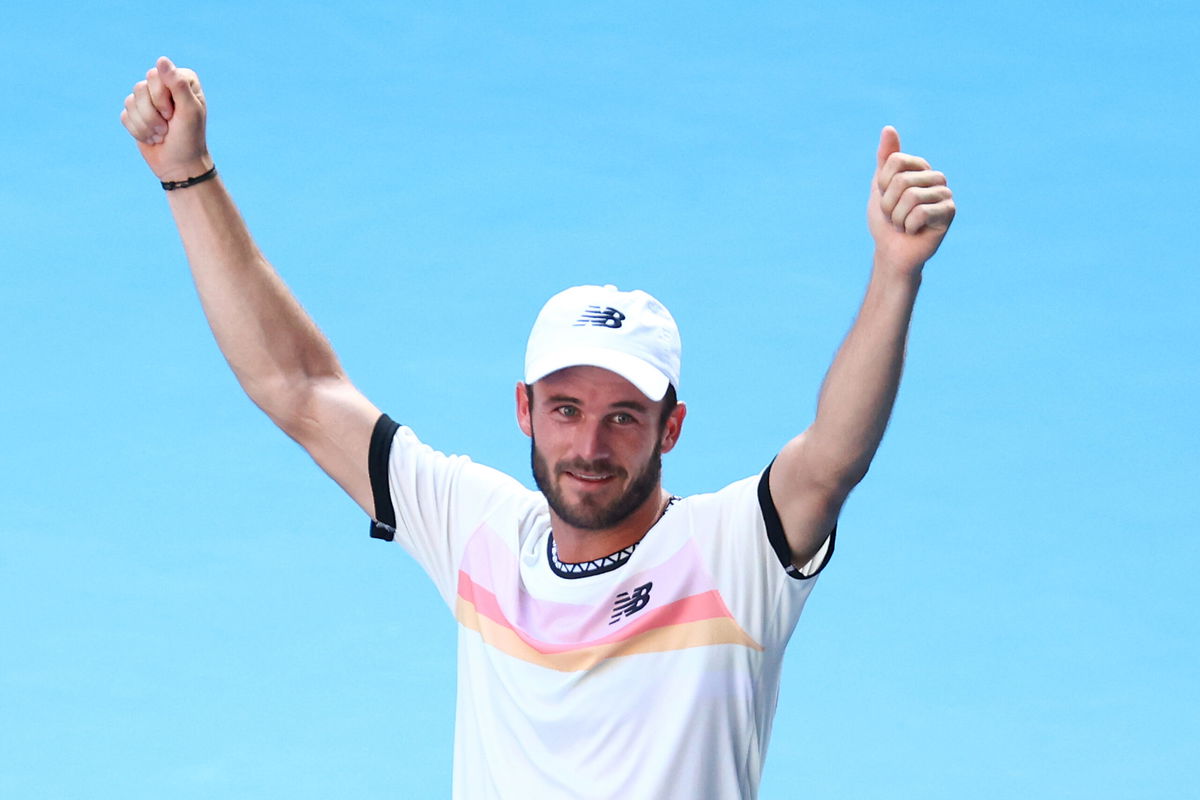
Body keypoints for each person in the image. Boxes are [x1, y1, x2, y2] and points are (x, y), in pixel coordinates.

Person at [121, 57, 955, 799]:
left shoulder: (733, 553)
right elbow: (296, 386)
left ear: (672, 429)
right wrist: (188, 175)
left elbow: (834, 457)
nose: (590, 446)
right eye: (566, 410)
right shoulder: (479, 532)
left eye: (624, 416)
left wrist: (893, 277)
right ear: (524, 410)